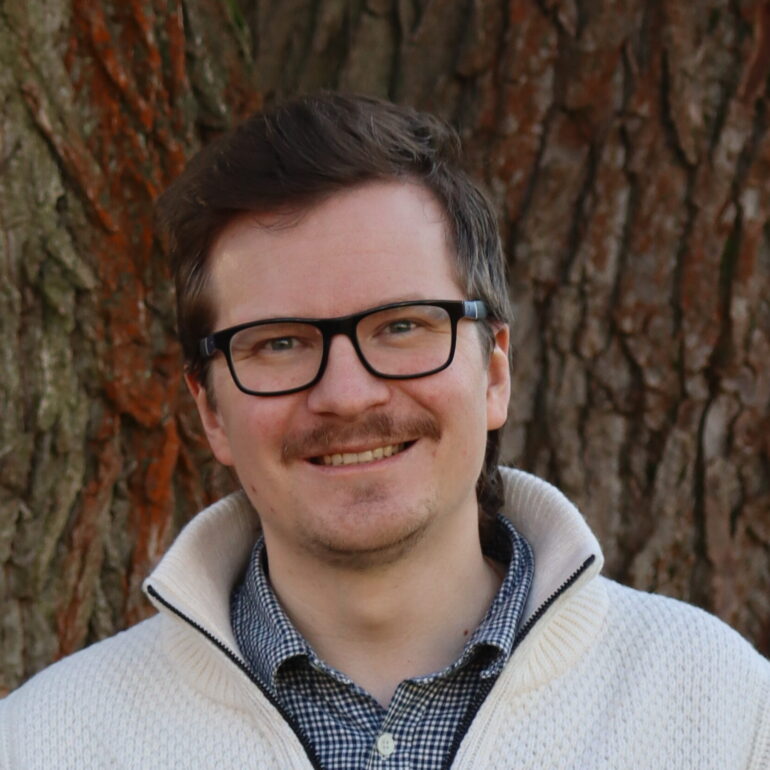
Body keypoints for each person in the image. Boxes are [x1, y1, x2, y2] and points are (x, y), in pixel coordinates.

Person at [1, 93, 768, 770]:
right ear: (210, 411)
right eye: (280, 342)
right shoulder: (43, 746)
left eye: (402, 326)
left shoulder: (724, 711)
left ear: (494, 373)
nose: (346, 395)